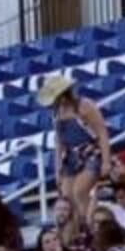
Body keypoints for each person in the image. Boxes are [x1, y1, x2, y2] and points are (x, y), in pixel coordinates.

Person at [41, 73, 112, 224]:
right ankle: (77, 228)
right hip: (70, 156)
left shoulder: (84, 105)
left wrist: (106, 161)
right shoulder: (57, 112)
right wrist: (58, 168)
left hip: (89, 152)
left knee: (79, 191)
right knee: (67, 197)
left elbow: (101, 132)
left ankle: (91, 224)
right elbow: (59, 142)